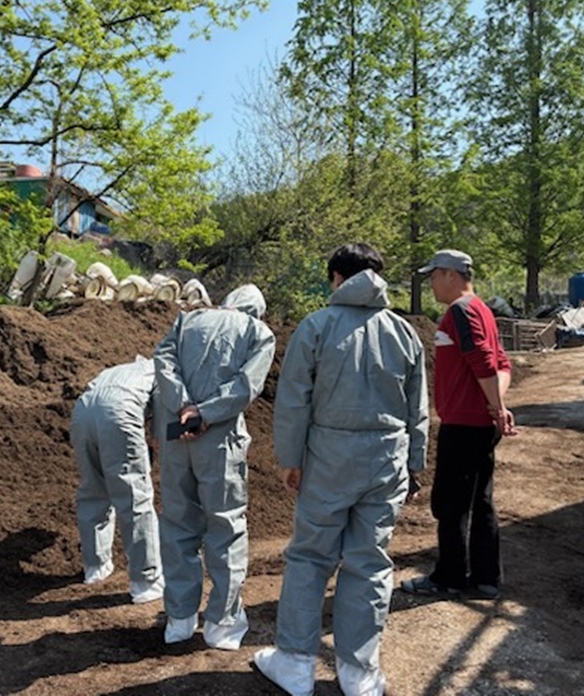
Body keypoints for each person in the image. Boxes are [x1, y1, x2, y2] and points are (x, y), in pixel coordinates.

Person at [253, 243, 429, 696]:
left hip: (329, 457)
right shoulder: (403, 331)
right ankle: (359, 673)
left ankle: (294, 663)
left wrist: (290, 460)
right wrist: (415, 463)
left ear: (336, 277)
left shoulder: (317, 326)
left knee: (311, 557)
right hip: (387, 456)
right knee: (369, 562)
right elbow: (418, 408)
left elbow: (294, 400)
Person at [153, 284, 276, 650]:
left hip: (177, 437)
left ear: (227, 302)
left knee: (177, 524)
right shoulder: (258, 332)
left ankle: (179, 619)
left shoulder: (186, 321)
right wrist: (205, 414)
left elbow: (164, 363)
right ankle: (221, 625)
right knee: (225, 527)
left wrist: (183, 408)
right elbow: (246, 386)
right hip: (218, 440)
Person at [401, 248, 515, 601]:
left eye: (434, 275)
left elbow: (483, 359)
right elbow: (502, 363)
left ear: (450, 274)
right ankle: (485, 579)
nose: (432, 283)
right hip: (478, 420)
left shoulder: (461, 311)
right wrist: (495, 405)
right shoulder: (482, 310)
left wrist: (495, 406)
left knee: (451, 505)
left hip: (465, 424)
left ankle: (449, 576)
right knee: (480, 501)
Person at [70, 356, 165, 604]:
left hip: (82, 413)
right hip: (119, 410)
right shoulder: (164, 371)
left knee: (94, 490)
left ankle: (95, 568)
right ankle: (147, 582)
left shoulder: (119, 370)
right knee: (133, 495)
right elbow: (158, 432)